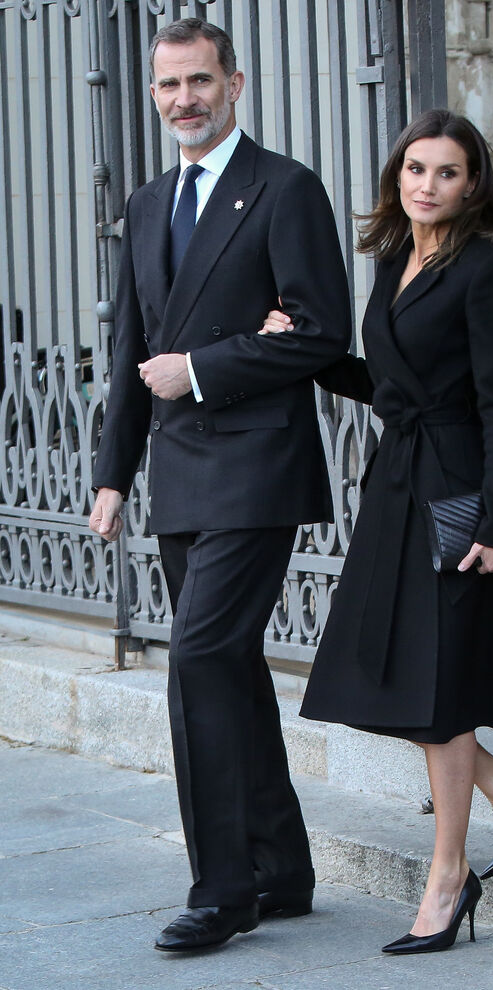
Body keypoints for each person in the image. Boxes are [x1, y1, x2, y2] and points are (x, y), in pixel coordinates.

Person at [260, 108, 493, 955]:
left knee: (438, 694)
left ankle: (447, 877)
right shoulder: (395, 258)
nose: (427, 185)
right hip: (396, 484)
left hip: (459, 490)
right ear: (396, 176)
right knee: (374, 676)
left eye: (447, 172)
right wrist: (310, 353)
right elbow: (394, 384)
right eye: (415, 169)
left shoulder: (487, 270)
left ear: (472, 186)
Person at [89, 17, 351, 952]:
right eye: (168, 85)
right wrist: (113, 473)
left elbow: (322, 333)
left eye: (199, 81)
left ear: (234, 84)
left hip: (258, 467)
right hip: (178, 474)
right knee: (229, 667)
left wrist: (201, 368)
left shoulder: (286, 188)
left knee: (198, 659)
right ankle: (282, 869)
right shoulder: (148, 202)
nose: (184, 100)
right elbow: (132, 349)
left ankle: (224, 887)